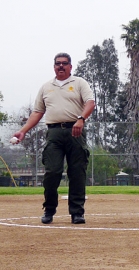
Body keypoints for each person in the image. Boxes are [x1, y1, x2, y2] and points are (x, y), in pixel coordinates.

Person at [12, 53, 95, 224]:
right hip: (54, 132)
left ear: (70, 66)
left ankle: (77, 212)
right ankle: (49, 209)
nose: (61, 66)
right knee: (52, 172)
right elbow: (37, 113)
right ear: (54, 67)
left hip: (75, 131)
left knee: (77, 172)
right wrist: (23, 131)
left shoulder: (79, 83)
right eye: (58, 64)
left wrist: (81, 119)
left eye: (65, 63)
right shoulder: (46, 87)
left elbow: (90, 103)